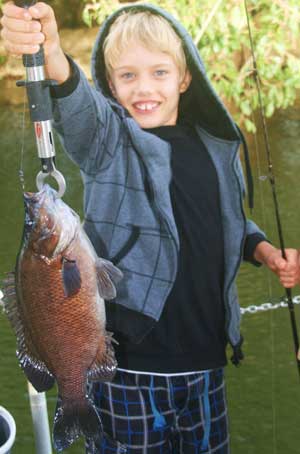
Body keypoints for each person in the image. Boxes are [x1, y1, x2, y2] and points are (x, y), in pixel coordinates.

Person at [1, 3, 300, 453]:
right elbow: (80, 107)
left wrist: (264, 251)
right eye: (127, 76)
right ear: (109, 83)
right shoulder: (111, 142)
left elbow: (222, 220)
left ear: (184, 78)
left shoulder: (213, 148)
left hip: (206, 365)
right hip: (130, 368)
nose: (144, 88)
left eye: (159, 73)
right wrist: (53, 53)